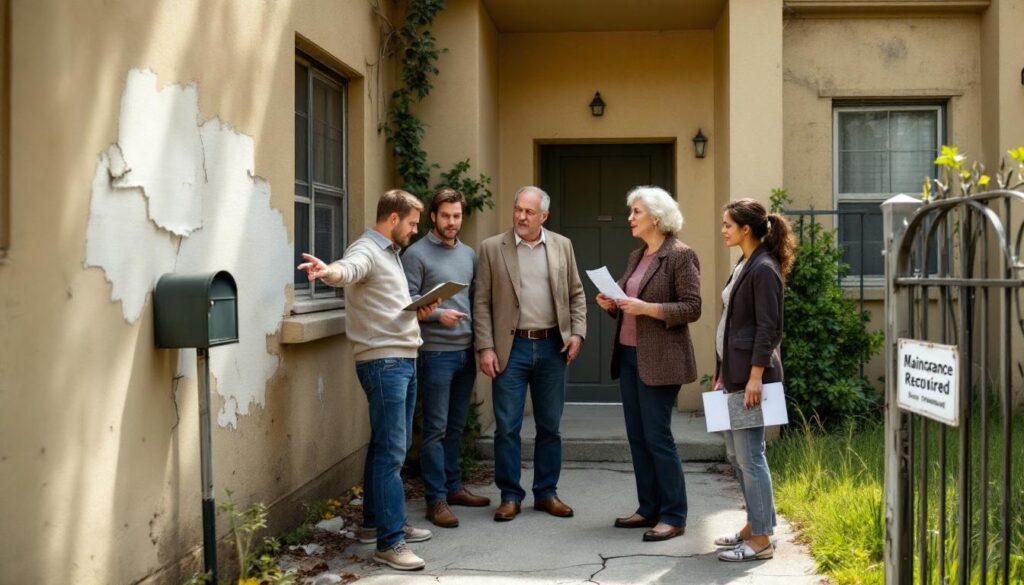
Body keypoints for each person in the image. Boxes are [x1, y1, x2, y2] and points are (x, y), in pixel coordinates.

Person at [297, 189, 439, 572]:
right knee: (393, 451)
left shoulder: (391, 255)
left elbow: (383, 301)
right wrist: (329, 272)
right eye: (411, 223)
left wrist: (418, 308)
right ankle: (389, 543)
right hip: (385, 363)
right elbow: (349, 269)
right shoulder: (367, 249)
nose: (414, 230)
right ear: (393, 220)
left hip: (401, 357)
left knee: (384, 446)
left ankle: (376, 524)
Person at [473, 185, 587, 522]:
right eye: (518, 209)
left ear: (544, 216)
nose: (522, 216)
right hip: (512, 347)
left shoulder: (562, 246)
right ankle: (510, 495)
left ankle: (546, 493)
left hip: (553, 346)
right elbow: (480, 303)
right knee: (506, 427)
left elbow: (577, 294)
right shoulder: (493, 248)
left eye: (529, 212)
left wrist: (577, 332)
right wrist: (485, 346)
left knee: (550, 426)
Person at [595, 186, 701, 542]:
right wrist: (611, 303)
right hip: (627, 355)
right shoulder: (636, 255)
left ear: (656, 217)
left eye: (636, 212)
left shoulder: (681, 256)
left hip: (661, 360)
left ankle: (673, 515)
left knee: (658, 437)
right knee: (638, 438)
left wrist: (648, 308)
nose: (630, 218)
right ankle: (648, 508)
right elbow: (629, 303)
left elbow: (691, 308)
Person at [712, 198, 795, 562]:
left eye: (728, 224)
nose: (723, 230)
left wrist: (755, 377)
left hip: (750, 380)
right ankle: (754, 524)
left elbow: (769, 327)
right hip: (732, 376)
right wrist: (720, 373)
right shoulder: (746, 262)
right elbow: (732, 321)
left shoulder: (763, 268)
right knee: (738, 454)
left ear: (746, 229)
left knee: (750, 455)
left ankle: (761, 541)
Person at [402, 188, 491, 528]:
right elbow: (407, 303)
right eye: (446, 216)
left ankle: (453, 488)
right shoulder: (416, 254)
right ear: (433, 217)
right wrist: (439, 316)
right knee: (435, 429)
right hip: (435, 352)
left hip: (465, 352)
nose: (452, 222)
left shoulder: (468, 254)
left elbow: (476, 301)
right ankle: (435, 499)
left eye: (457, 216)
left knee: (455, 426)